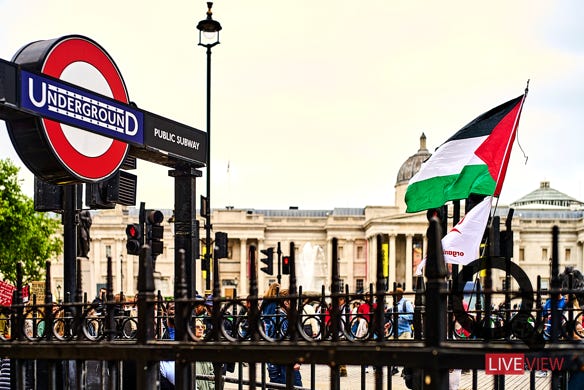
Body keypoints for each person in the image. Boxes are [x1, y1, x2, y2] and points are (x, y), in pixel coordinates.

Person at [266, 289, 302, 387]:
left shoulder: (284, 317)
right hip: (283, 367)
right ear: (286, 303)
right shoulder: (281, 319)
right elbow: (283, 345)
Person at [194, 318, 215, 390]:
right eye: (197, 327)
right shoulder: (190, 348)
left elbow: (211, 371)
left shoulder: (205, 347)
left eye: (202, 327)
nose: (200, 329)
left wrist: (212, 387)